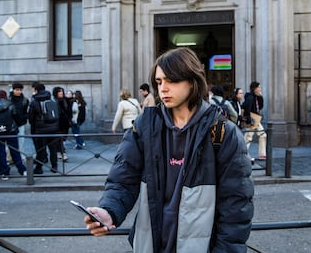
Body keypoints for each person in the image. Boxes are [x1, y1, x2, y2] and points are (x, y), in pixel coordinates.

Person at [84, 47, 254, 252]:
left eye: (171, 80)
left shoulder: (223, 133)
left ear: (192, 81)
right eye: (159, 81)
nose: (163, 88)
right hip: (150, 244)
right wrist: (109, 211)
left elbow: (236, 208)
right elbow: (122, 179)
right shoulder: (144, 126)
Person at [0, 90, 27, 180]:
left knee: (0, 153)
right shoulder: (10, 104)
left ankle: (4, 172)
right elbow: (16, 117)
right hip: (10, 131)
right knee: (15, 151)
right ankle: (22, 169)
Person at [28, 83, 60, 174]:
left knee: (40, 150)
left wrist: (34, 128)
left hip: (40, 130)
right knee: (53, 149)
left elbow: (31, 117)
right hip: (53, 129)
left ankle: (39, 167)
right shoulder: (52, 100)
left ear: (36, 90)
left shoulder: (34, 102)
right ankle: (54, 166)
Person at [242, 81, 267, 160]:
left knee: (262, 135)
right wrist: (248, 119)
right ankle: (243, 153)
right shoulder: (250, 97)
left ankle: (262, 154)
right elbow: (247, 108)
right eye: (259, 87)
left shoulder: (256, 96)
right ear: (255, 88)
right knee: (248, 136)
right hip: (252, 118)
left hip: (256, 118)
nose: (260, 88)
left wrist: (260, 97)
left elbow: (260, 107)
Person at [9, 83, 29, 157]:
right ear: (13, 90)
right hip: (11, 124)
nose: (19, 91)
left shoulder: (24, 100)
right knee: (10, 142)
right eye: (17, 90)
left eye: (20, 90)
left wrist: (25, 117)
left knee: (21, 141)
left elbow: (26, 111)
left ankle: (21, 156)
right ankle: (10, 157)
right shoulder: (9, 99)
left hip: (21, 123)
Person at [52, 86, 71, 161]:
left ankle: (59, 152)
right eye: (59, 92)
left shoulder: (66, 100)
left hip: (65, 123)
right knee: (59, 139)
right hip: (58, 123)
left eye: (61, 91)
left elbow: (69, 110)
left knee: (63, 138)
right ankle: (63, 154)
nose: (61, 93)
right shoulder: (54, 101)